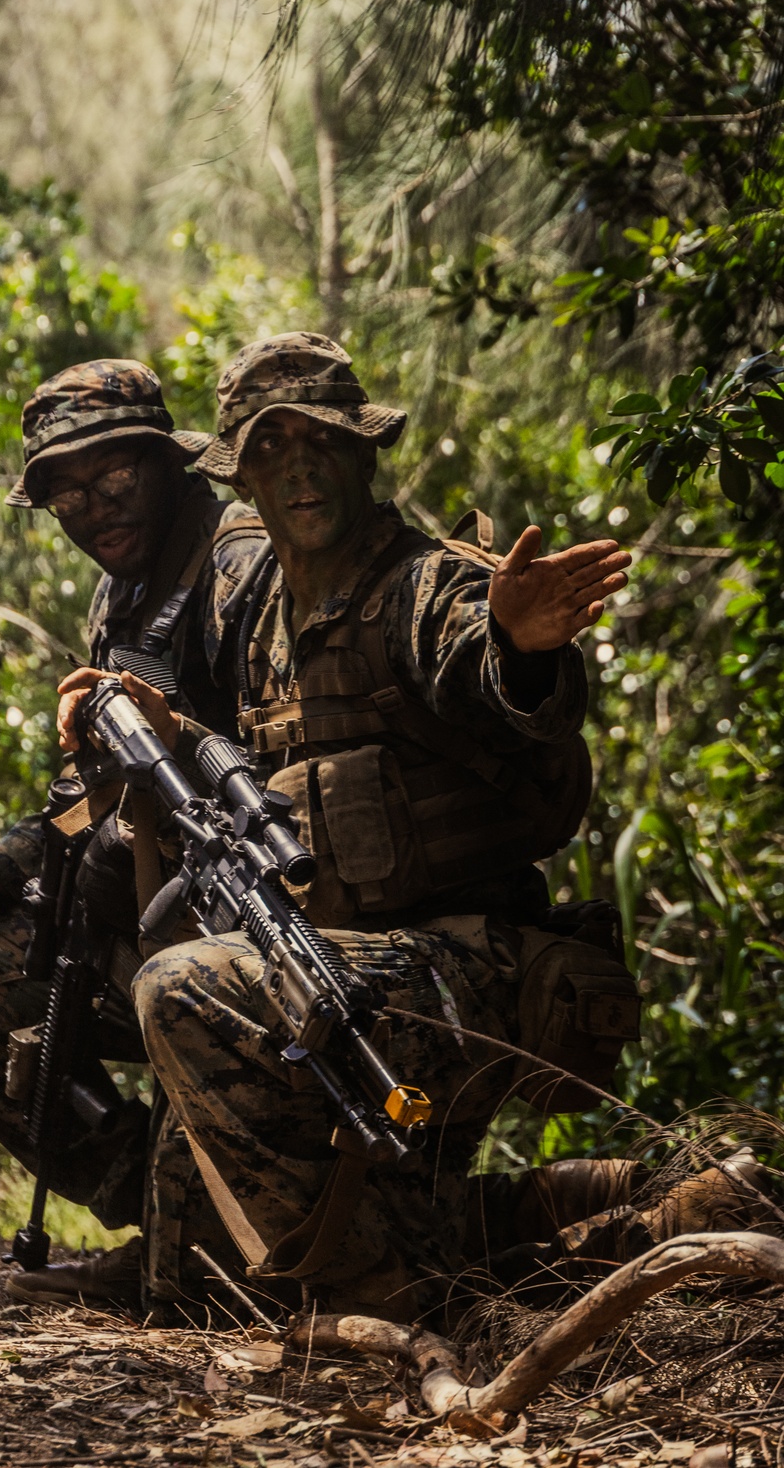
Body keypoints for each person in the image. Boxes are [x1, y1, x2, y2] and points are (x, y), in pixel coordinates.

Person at [82, 330, 648, 1322]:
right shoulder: (263, 617)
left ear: (363, 451)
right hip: (341, 967)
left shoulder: (419, 585)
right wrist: (166, 734)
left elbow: (482, 661)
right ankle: (610, 1216)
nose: (296, 465)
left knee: (183, 990)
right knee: (196, 1271)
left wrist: (516, 644)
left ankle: (397, 1302)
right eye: (268, 448)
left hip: (472, 973)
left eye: (322, 440)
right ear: (242, 478)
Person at [0, 359, 265, 1311]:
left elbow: (292, 755)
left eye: (115, 480)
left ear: (168, 462)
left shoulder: (240, 563)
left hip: (257, 917)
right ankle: (154, 1198)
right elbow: (91, 783)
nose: (96, 511)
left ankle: (219, 1232)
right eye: (67, 497)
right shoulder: (121, 598)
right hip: (147, 898)